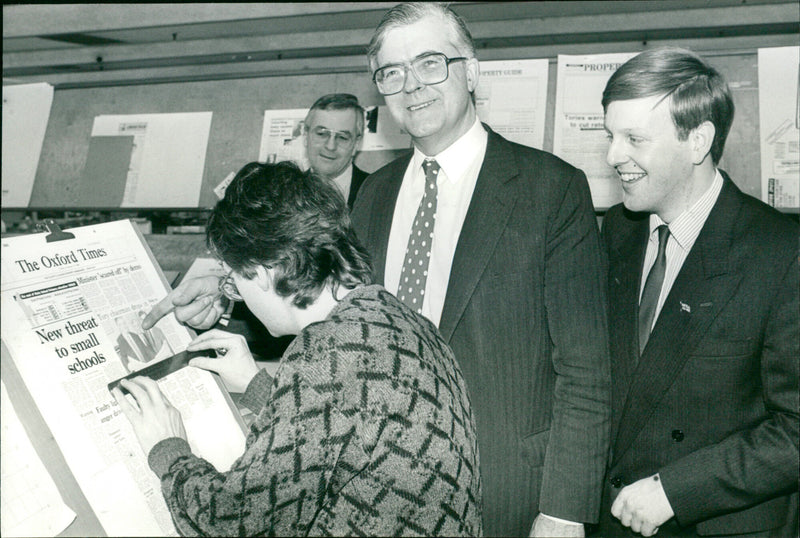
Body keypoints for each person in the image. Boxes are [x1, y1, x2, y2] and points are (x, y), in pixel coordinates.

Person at [141, 4, 611, 535]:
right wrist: (227, 290)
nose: (412, 86)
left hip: (511, 489)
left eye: (430, 63)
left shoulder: (550, 188)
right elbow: (348, 361)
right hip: (385, 493)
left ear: (472, 70)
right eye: (392, 73)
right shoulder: (374, 195)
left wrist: (564, 511)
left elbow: (586, 370)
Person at [116, 161, 482, 536]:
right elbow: (345, 432)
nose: (234, 293)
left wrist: (168, 448)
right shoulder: (397, 318)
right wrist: (261, 388)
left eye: (233, 279)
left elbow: (234, 522)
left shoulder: (325, 353)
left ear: (260, 271)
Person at [598, 47, 798, 537]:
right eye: (610, 136)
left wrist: (676, 489)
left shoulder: (781, 254)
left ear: (697, 141)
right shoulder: (617, 233)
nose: (612, 156)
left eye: (634, 139)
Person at [304, 93, 368, 209]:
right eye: (322, 134)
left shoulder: (379, 192)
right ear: (305, 136)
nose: (330, 146)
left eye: (342, 137)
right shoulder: (283, 193)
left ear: (356, 144)